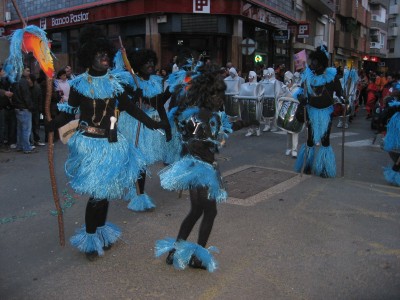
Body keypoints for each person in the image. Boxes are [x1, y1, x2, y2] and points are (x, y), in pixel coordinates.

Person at [48, 25, 168, 261]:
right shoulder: (79, 84)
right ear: (89, 57)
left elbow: (131, 108)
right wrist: (49, 124)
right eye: (99, 55)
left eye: (106, 54)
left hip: (112, 144)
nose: (105, 58)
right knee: (97, 195)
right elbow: (67, 114)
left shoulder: (115, 83)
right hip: (89, 146)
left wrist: (154, 124)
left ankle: (99, 232)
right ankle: (91, 238)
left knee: (105, 194)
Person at [155, 63, 250, 272]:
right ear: (207, 94)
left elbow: (211, 136)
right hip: (202, 169)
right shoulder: (205, 116)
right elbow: (207, 141)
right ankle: (197, 256)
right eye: (217, 95)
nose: (220, 99)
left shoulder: (195, 114)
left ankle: (175, 250)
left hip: (194, 166)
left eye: (221, 95)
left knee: (197, 210)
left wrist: (240, 124)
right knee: (210, 211)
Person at [116, 48, 172, 211]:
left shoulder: (156, 81)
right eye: (145, 62)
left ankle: (136, 189)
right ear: (138, 65)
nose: (150, 65)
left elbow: (158, 104)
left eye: (151, 62)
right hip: (133, 124)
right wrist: (135, 95)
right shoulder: (129, 80)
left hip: (150, 125)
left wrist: (166, 125)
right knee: (138, 160)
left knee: (143, 161)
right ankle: (139, 196)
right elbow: (125, 105)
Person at [294, 45, 343, 178]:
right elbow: (300, 91)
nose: (312, 65)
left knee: (325, 140)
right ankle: (308, 165)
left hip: (326, 113)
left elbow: (339, 92)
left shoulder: (332, 76)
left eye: (315, 62)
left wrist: (343, 99)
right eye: (312, 62)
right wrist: (301, 98)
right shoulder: (308, 76)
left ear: (322, 63)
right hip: (311, 111)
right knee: (310, 140)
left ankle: (324, 168)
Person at [12, 66, 38, 154]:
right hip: (24, 108)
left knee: (20, 129)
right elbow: (26, 96)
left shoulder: (16, 80)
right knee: (26, 129)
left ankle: (20, 146)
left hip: (18, 107)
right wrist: (31, 107)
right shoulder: (23, 82)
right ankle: (26, 147)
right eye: (27, 70)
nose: (29, 72)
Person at [277, 70, 302, 158]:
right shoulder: (285, 89)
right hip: (286, 112)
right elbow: (280, 97)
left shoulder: (298, 89)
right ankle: (288, 148)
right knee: (287, 130)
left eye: (287, 81)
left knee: (294, 131)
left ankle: (294, 149)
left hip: (295, 113)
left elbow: (300, 100)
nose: (286, 83)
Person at [259, 67, 282, 132]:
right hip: (265, 98)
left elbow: (278, 91)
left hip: (273, 99)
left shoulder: (276, 82)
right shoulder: (263, 82)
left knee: (274, 113)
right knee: (266, 112)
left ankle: (274, 126)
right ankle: (267, 125)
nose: (268, 75)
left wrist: (277, 98)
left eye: (269, 73)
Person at [27, 74, 45, 146]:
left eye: (29, 79)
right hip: (29, 108)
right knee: (28, 126)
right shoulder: (26, 87)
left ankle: (36, 140)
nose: (27, 80)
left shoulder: (37, 88)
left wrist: (40, 108)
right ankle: (29, 141)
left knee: (36, 125)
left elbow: (40, 99)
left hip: (36, 109)